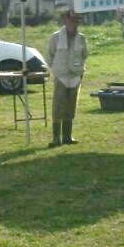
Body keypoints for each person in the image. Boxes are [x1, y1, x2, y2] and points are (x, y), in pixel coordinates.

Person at [48, 9, 89, 147]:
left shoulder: (81, 38)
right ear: (65, 21)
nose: (74, 24)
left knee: (71, 107)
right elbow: (50, 55)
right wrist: (56, 70)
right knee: (58, 106)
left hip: (75, 76)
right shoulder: (55, 37)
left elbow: (84, 55)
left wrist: (80, 71)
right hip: (61, 76)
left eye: (76, 21)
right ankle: (55, 138)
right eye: (72, 21)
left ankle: (67, 136)